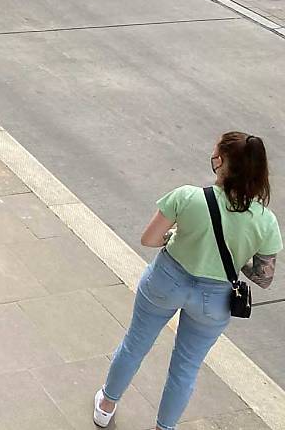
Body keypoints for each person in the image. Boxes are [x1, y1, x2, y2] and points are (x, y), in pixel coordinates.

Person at [94, 132, 280, 430]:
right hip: (215, 300)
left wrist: (174, 237)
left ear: (220, 162)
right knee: (186, 367)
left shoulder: (188, 196)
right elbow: (264, 276)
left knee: (135, 345)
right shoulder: (265, 220)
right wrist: (236, 256)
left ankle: (106, 405)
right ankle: (164, 427)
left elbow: (150, 239)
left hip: (166, 281)